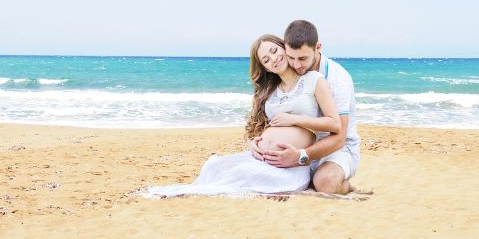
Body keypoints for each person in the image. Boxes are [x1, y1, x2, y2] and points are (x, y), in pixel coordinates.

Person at [144, 34, 340, 198]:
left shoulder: (313, 80)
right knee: (214, 167)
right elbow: (269, 128)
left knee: (241, 174)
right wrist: (254, 143)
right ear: (265, 68)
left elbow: (334, 124)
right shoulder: (270, 92)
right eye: (266, 59)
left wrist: (294, 119)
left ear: (284, 48)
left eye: (274, 51)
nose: (273, 59)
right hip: (261, 158)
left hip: (290, 165)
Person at [252, 20, 361, 195]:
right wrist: (257, 142)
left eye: (302, 58)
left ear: (317, 47)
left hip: (337, 149)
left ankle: (346, 186)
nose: (296, 65)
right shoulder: (290, 77)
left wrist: (301, 157)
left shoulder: (337, 78)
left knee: (325, 182)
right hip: (301, 150)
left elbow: (339, 137)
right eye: (291, 57)